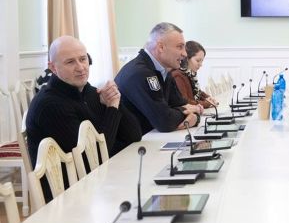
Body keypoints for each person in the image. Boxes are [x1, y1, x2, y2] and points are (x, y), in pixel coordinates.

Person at [26, 36, 142, 198]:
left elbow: (134, 135)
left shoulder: (87, 91)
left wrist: (115, 101)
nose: (81, 67)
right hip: (67, 195)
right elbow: (94, 157)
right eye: (70, 62)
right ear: (53, 67)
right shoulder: (49, 105)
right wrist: (111, 109)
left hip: (95, 178)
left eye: (83, 59)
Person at [115, 23, 203, 134]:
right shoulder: (140, 73)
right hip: (134, 143)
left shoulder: (164, 70)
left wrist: (194, 117)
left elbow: (181, 104)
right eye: (180, 47)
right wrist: (185, 112)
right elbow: (165, 121)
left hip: (152, 138)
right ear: (161, 47)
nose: (185, 54)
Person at [171, 41, 218, 109]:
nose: (200, 64)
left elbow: (197, 92)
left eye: (202, 61)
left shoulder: (189, 73)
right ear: (187, 59)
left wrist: (208, 98)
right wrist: (206, 103)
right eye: (198, 60)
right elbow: (185, 102)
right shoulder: (178, 76)